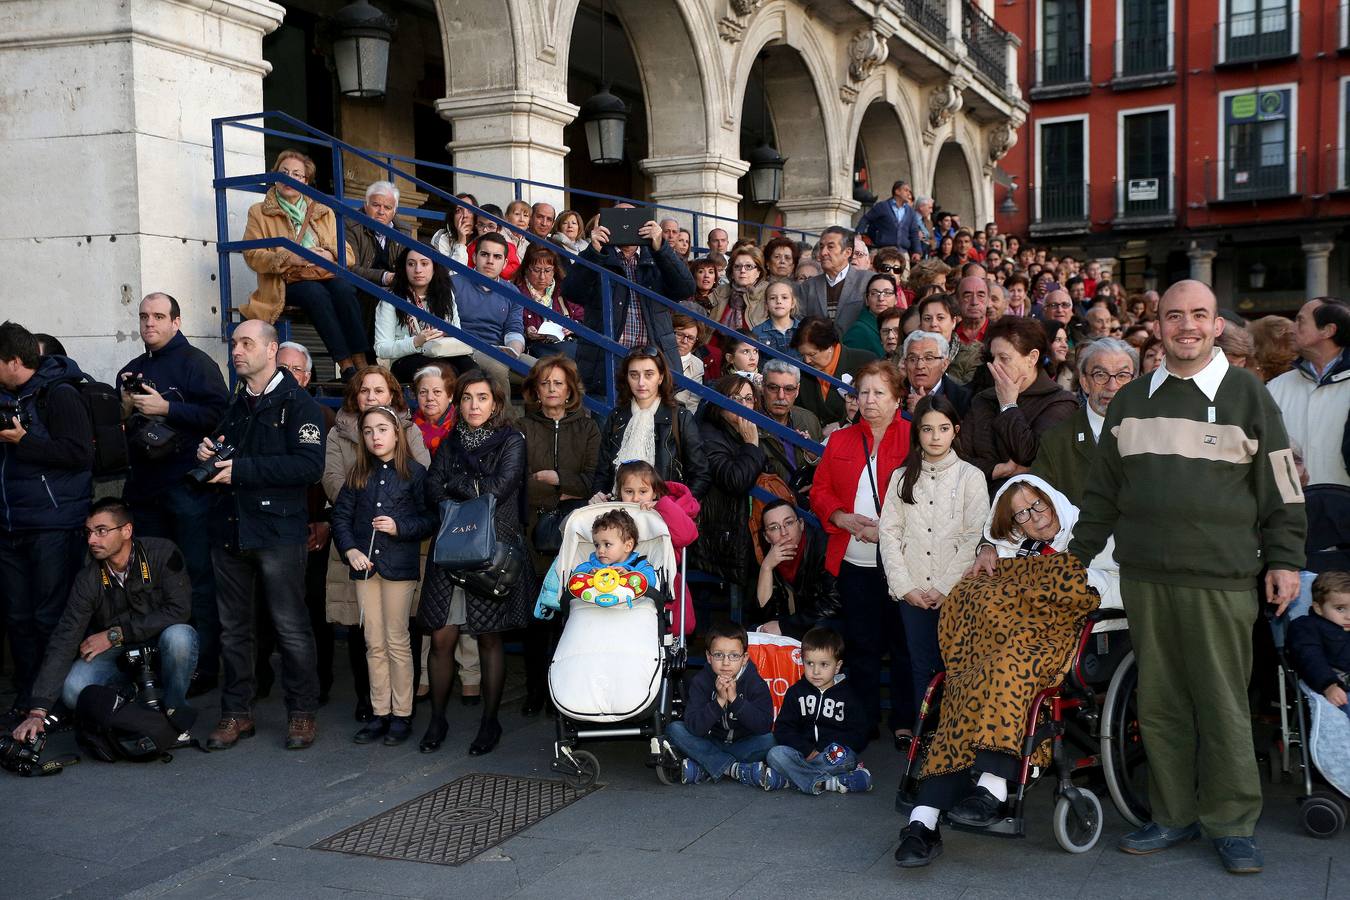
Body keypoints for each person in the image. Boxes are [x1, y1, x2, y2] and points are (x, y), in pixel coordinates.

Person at [1068, 280, 1308, 875]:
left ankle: (1231, 823)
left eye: (1199, 315)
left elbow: (1283, 485)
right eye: (1175, 316)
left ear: (1216, 325)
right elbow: (1102, 493)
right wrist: (1076, 558)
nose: (1188, 327)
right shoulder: (1131, 400)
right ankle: (1172, 815)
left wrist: (1284, 558)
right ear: (1159, 325)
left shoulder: (1248, 394)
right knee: (1160, 703)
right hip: (1145, 578)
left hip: (1221, 579)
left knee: (1222, 702)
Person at [894, 475, 1105, 868]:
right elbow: (976, 596)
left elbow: (1099, 585)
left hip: (1052, 642)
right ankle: (923, 819)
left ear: (1053, 498)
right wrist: (993, 552)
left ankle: (991, 788)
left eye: (1038, 504)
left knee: (1009, 669)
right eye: (1022, 514)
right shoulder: (1006, 549)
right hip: (994, 649)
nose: (1035, 518)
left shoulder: (1088, 534)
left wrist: (1040, 578)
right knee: (961, 687)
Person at [198, 319, 325, 752]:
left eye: (246, 343)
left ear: (271, 350)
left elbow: (308, 468)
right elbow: (226, 449)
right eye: (234, 343)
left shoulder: (299, 404)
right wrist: (208, 452)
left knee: (290, 627)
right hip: (230, 529)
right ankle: (237, 714)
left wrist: (242, 470)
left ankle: (302, 714)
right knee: (233, 630)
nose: (236, 350)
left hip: (277, 533)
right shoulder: (236, 404)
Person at [10, 499, 197, 743]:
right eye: (88, 533)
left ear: (126, 531)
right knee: (74, 690)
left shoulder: (162, 553)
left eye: (101, 531)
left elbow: (179, 610)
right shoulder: (88, 577)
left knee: (180, 636)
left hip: (159, 639)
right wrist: (38, 709)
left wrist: (114, 634)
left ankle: (174, 712)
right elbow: (65, 638)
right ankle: (131, 694)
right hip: (120, 652)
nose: (91, 541)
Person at [418, 371, 536, 755]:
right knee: (441, 636)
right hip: (451, 546)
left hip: (491, 547)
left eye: (481, 398)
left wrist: (459, 486)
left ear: (496, 402)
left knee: (489, 637)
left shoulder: (512, 440)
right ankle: (437, 719)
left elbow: (500, 490)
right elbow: (431, 488)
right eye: (467, 398)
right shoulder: (450, 441)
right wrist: (468, 487)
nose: (473, 406)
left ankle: (490, 722)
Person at [117, 293, 229, 695]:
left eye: (159, 316)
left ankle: (203, 667)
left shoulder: (197, 364)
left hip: (188, 490)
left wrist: (167, 409)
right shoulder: (131, 370)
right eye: (144, 316)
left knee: (197, 579)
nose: (150, 323)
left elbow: (221, 415)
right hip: (145, 492)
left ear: (176, 321)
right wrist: (128, 410)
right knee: (148, 585)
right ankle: (160, 665)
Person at [810, 360, 913, 738]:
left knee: (905, 646)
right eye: (863, 393)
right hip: (854, 560)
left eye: (878, 393)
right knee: (862, 647)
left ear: (897, 397)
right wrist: (841, 518)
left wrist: (886, 530)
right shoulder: (840, 439)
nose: (868, 401)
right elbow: (819, 491)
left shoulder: (915, 436)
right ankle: (865, 721)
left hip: (904, 562)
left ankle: (905, 722)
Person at [322, 367, 431, 719]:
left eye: (382, 430)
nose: (374, 436)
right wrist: (351, 547)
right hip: (364, 566)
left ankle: (402, 713)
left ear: (397, 433)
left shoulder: (414, 472)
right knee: (372, 642)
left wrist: (400, 527)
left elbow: (430, 516)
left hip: (398, 566)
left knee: (398, 641)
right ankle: (379, 711)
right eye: (368, 432)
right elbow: (340, 514)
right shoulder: (357, 473)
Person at [0, 321, 94, 719]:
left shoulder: (62, 393)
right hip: (10, 524)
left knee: (49, 617)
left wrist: (26, 442)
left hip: (54, 523)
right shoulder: (8, 396)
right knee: (18, 617)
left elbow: (78, 454)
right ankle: (28, 699)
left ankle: (51, 702)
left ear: (15, 361)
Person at [878, 395, 989, 722]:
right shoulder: (901, 477)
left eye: (943, 428)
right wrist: (904, 586)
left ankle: (954, 740)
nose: (935, 437)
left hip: (955, 594)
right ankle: (923, 738)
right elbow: (889, 533)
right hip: (911, 593)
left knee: (955, 666)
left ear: (955, 430)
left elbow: (974, 536)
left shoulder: (971, 477)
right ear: (918, 434)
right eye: (927, 429)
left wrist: (943, 587)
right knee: (919, 666)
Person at [239, 149, 367, 379]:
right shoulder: (259, 212)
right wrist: (287, 257)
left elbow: (348, 254)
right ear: (274, 175)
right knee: (315, 294)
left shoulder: (322, 210)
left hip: (322, 272)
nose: (290, 178)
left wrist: (330, 255)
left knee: (344, 290)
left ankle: (362, 359)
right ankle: (346, 364)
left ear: (306, 181)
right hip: (285, 280)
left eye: (297, 175)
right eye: (284, 172)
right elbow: (251, 253)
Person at [520, 355, 600, 711]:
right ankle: (535, 692)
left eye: (558, 383)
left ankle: (565, 693)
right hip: (531, 532)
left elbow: (593, 480)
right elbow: (518, 481)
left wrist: (557, 480)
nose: (552, 389)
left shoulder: (588, 427)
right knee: (536, 620)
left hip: (574, 535)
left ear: (570, 389)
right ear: (536, 390)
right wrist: (564, 489)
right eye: (545, 383)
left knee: (573, 616)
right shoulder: (520, 427)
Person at [561, 205, 696, 390]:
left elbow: (686, 288)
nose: (625, 225)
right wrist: (593, 251)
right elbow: (572, 291)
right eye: (618, 218)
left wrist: (661, 247)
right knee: (607, 415)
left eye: (632, 219)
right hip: (607, 361)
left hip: (652, 360)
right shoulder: (597, 255)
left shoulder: (657, 256)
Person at [410, 364, 480, 706]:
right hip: (427, 524)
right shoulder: (408, 430)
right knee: (433, 605)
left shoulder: (464, 429)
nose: (430, 398)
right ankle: (425, 675)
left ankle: (471, 676)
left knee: (466, 601)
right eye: (423, 391)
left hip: (463, 522)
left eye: (437, 391)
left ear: (451, 395)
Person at [955, 316, 1077, 490]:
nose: (995, 365)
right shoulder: (982, 400)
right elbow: (957, 459)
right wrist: (995, 470)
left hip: (1031, 507)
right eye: (993, 357)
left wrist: (1008, 406)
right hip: (979, 502)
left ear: (1032, 358)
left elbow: (1032, 456)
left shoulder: (1060, 402)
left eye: (1004, 358)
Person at [755, 625, 872, 793]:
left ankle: (791, 779)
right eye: (810, 663)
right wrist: (807, 750)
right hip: (801, 753)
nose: (816, 671)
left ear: (837, 666)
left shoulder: (849, 696)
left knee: (847, 758)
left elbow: (859, 734)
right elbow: (783, 728)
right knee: (775, 754)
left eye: (824, 664)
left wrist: (825, 748)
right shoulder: (796, 692)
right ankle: (829, 782)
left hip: (830, 756)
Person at [692, 375, 771, 614]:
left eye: (749, 399)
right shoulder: (708, 434)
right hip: (719, 536)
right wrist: (751, 445)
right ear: (719, 402)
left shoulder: (742, 431)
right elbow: (735, 480)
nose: (744, 405)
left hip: (741, 526)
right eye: (736, 398)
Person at [591, 348, 710, 501]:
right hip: (618, 513)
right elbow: (602, 473)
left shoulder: (681, 417)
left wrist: (674, 507)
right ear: (626, 378)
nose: (641, 382)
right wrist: (598, 495)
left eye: (649, 374)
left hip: (664, 515)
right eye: (634, 375)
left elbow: (701, 475)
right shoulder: (616, 417)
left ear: (660, 377)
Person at [1032, 337, 1139, 507]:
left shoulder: (1156, 434)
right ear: (1084, 383)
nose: (1112, 386)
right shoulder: (1056, 441)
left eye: (1122, 375)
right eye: (1100, 375)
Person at [665, 621, 775, 785]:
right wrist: (719, 701)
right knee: (674, 729)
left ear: (744, 658)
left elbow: (763, 726)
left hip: (743, 745)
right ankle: (733, 769)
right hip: (711, 742)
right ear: (709, 657)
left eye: (734, 655)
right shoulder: (701, 681)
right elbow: (694, 727)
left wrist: (735, 701)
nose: (725, 662)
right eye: (718, 655)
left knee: (770, 740)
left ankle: (707, 767)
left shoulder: (754, 683)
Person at [1267, 297, 1350, 486]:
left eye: (1300, 321)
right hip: (1291, 510)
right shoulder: (1276, 387)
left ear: (1327, 331)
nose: (1291, 328)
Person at [374, 246, 474, 383]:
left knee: (472, 370)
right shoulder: (391, 299)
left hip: (442, 352)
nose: (418, 270)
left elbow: (456, 332)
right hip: (406, 360)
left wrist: (445, 333)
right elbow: (381, 349)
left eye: (424, 263)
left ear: (434, 267)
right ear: (404, 268)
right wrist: (416, 341)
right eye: (411, 264)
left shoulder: (445, 294)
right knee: (441, 372)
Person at [753, 500, 839, 638]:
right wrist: (766, 568)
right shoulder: (770, 554)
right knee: (757, 630)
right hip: (799, 622)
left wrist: (785, 626)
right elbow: (764, 614)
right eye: (774, 527)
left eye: (789, 523)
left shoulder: (823, 547)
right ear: (766, 537)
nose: (784, 532)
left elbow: (834, 603)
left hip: (829, 625)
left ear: (801, 524)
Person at [790, 317, 877, 430]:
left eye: (812, 354)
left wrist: (843, 423)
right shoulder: (802, 370)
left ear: (830, 346)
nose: (807, 360)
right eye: (803, 355)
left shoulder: (865, 362)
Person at [1287, 571, 1350, 715]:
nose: (1349, 616)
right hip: (1337, 686)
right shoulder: (1307, 626)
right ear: (1318, 608)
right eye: (1340, 608)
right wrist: (1329, 685)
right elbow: (1310, 658)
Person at [794, 227, 871, 334]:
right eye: (821, 247)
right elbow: (799, 322)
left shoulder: (867, 281)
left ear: (847, 252)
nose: (823, 252)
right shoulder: (808, 287)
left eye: (830, 247)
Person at [513, 244, 584, 360]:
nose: (542, 276)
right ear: (526, 269)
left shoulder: (564, 289)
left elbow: (582, 317)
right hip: (537, 349)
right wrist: (526, 331)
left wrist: (573, 326)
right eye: (536, 270)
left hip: (567, 345)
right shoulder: (516, 292)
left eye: (547, 270)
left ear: (555, 270)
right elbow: (511, 325)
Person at [757, 359, 822, 483]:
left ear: (797, 390)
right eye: (773, 388)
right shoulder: (750, 422)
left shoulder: (809, 419)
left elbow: (826, 469)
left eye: (788, 389)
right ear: (762, 387)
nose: (781, 396)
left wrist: (813, 459)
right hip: (769, 499)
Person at [345, 181, 403, 292]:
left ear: (394, 212)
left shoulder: (402, 231)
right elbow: (350, 268)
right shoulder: (351, 226)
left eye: (387, 207)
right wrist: (384, 277)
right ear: (366, 206)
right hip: (362, 288)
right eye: (376, 205)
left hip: (393, 290)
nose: (381, 211)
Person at [899, 329, 970, 419]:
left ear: (944, 364)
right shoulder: (893, 394)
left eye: (929, 358)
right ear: (905, 364)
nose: (920, 366)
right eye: (912, 359)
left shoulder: (963, 399)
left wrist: (923, 410)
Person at [916, 293, 982, 386]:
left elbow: (969, 391)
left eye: (940, 318)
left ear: (953, 322)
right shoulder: (905, 352)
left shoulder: (972, 355)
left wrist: (939, 374)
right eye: (927, 318)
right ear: (920, 324)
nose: (933, 324)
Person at [708, 246, 768, 333]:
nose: (742, 270)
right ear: (732, 272)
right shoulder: (720, 291)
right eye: (737, 266)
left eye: (748, 266)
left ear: (759, 272)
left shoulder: (769, 295)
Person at [858, 180, 922, 256]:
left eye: (909, 191)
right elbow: (866, 219)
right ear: (897, 191)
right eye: (906, 190)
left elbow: (914, 232)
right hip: (884, 251)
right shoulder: (883, 206)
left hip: (903, 253)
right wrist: (859, 234)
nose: (909, 194)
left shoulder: (910, 212)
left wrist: (917, 251)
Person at [843, 273, 900, 359]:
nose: (881, 298)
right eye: (874, 293)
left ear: (896, 299)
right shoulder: (858, 331)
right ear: (866, 300)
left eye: (887, 293)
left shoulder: (902, 323)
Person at [750, 277, 800, 360]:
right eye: (773, 298)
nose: (779, 301)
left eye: (784, 297)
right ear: (766, 304)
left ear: (793, 303)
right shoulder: (757, 332)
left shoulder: (802, 329)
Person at [430, 193, 479, 268]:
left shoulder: (482, 237)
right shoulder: (442, 237)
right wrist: (461, 243)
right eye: (459, 210)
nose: (465, 215)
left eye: (470, 210)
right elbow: (448, 275)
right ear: (452, 217)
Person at [954, 275, 990, 347]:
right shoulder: (949, 334)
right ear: (957, 300)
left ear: (988, 300)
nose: (974, 302)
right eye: (967, 296)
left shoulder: (1001, 334)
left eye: (980, 296)